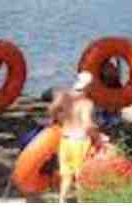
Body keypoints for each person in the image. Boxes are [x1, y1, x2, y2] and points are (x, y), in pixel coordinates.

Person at [48, 71, 100, 203]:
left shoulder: (64, 96)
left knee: (66, 175)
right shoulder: (86, 103)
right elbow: (87, 124)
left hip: (65, 139)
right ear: (88, 86)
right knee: (80, 175)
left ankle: (61, 201)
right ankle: (81, 201)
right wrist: (98, 137)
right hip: (80, 141)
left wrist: (55, 120)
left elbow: (52, 109)